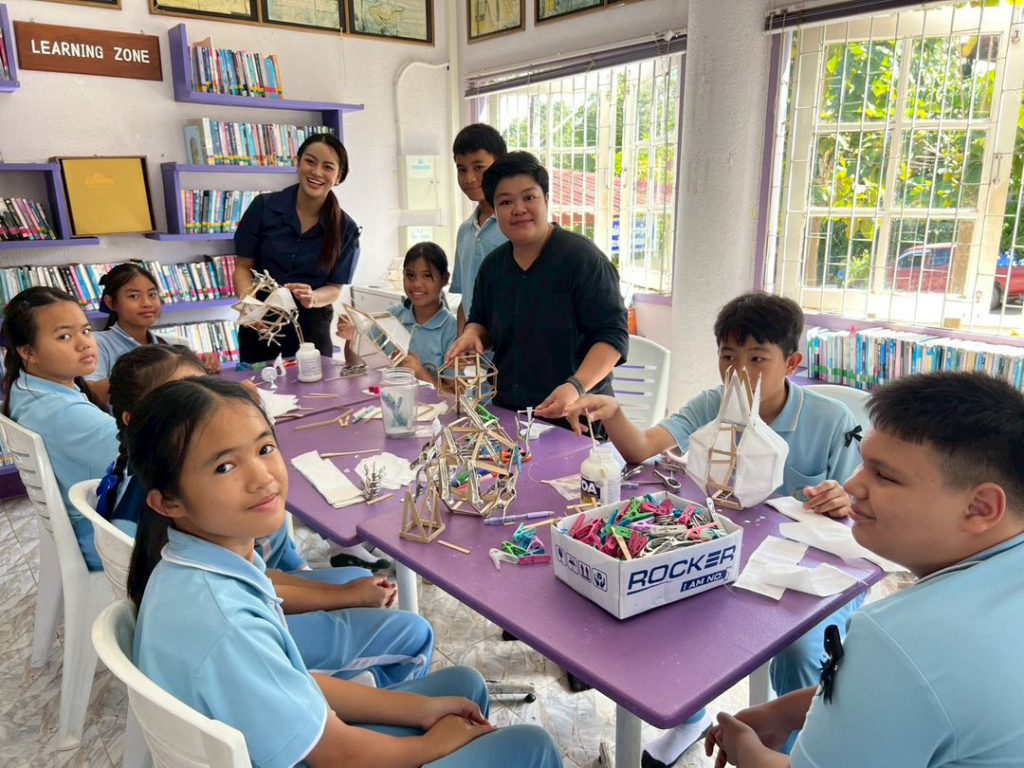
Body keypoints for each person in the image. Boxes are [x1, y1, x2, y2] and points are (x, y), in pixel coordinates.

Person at [126, 376, 563, 767]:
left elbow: (294, 681)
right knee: (530, 745)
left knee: (463, 686)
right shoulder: (226, 622)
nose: (262, 478)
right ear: (168, 502)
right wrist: (431, 746)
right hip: (328, 757)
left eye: (264, 449)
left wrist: (423, 712)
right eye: (225, 466)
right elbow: (340, 755)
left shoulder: (199, 564)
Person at [565, 292, 861, 767]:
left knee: (801, 649)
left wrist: (845, 501)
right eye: (728, 357)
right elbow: (642, 448)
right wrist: (614, 413)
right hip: (731, 553)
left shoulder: (832, 421)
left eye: (757, 359)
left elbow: (863, 515)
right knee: (660, 606)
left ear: (792, 363)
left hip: (812, 571)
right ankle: (688, 715)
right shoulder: (713, 405)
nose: (739, 371)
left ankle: (797, 751)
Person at [704, 371, 1024, 768]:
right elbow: (914, 696)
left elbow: (908, 671)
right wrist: (783, 712)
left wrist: (744, 749)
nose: (853, 485)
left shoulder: (898, 638)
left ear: (980, 508)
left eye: (884, 475)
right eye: (863, 464)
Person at [101, 344, 433, 686]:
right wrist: (346, 597)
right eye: (225, 466)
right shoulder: (184, 531)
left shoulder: (204, 533)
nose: (204, 406)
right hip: (254, 649)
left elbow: (258, 578)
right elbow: (289, 682)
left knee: (356, 581)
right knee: (410, 632)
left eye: (264, 449)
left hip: (255, 628)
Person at [446, 151, 629, 425]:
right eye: (505, 202)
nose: (518, 209)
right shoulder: (493, 267)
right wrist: (473, 333)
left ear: (546, 199)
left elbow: (612, 336)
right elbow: (480, 321)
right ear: (495, 209)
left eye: (529, 197)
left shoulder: (583, 260)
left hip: (574, 417)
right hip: (509, 414)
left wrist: (575, 386)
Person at [1, 286, 118, 570]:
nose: (84, 344)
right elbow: (151, 460)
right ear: (28, 351)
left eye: (86, 331)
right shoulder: (64, 413)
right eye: (65, 336)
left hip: (86, 519)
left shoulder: (26, 387)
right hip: (103, 532)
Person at [234, 132, 360, 362]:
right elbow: (243, 267)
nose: (317, 172)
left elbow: (335, 288)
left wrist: (313, 297)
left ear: (339, 177)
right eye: (310, 162)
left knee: (314, 383)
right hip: (260, 322)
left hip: (311, 329)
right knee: (256, 382)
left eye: (328, 167)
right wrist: (249, 307)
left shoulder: (346, 229)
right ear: (298, 162)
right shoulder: (263, 207)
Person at [86, 262, 221, 403]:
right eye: (134, 296)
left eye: (152, 294)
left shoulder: (175, 344)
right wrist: (159, 375)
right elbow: (92, 390)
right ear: (110, 303)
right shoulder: (97, 343)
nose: (147, 303)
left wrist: (203, 364)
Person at [337, 242, 457, 384]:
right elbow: (356, 363)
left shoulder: (453, 330)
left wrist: (419, 371)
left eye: (427, 276)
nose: (417, 284)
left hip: (428, 399)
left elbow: (453, 393)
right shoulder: (392, 316)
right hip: (391, 395)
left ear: (445, 278)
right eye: (410, 275)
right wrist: (353, 337)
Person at [450, 124, 508, 332]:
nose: (469, 178)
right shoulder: (465, 231)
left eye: (478, 168)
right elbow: (465, 301)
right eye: (462, 169)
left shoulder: (515, 228)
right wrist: (461, 341)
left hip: (511, 346)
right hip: (474, 347)